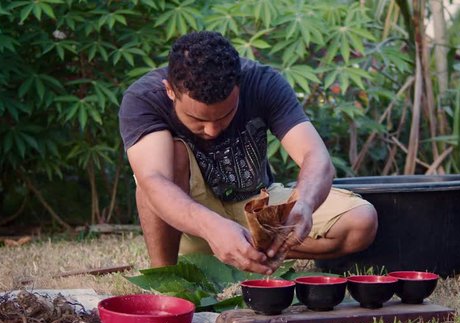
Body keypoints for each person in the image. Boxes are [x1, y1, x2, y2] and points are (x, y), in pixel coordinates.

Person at [119, 31, 377, 274]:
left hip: (257, 207)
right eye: (197, 119)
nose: (212, 130)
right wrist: (211, 226)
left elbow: (316, 157)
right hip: (191, 220)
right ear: (170, 91)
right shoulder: (144, 98)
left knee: (361, 222)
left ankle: (256, 253)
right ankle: (164, 277)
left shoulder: (263, 81)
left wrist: (305, 204)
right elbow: (153, 181)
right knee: (164, 163)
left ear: (239, 86)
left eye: (224, 116)